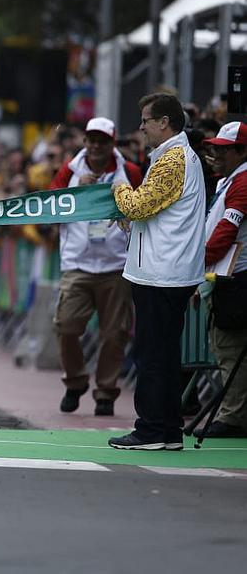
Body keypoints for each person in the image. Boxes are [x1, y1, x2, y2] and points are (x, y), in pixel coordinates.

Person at [108, 93, 206, 450]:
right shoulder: (175, 157)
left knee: (151, 354)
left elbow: (139, 205)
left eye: (146, 121)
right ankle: (168, 430)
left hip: (161, 273)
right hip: (167, 270)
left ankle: (150, 430)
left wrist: (118, 188)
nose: (141, 128)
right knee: (164, 354)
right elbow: (153, 215)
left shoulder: (173, 159)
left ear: (164, 122)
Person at [49, 117, 143, 417]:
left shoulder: (130, 172)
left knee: (114, 334)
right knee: (65, 325)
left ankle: (105, 392)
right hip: (77, 264)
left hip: (117, 266)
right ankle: (75, 381)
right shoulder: (70, 171)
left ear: (112, 143)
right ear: (85, 142)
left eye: (103, 141)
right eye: (92, 140)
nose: (96, 146)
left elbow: (144, 208)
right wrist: (76, 194)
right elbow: (50, 208)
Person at [195, 121, 247, 438]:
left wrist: (196, 262)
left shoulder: (242, 183)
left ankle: (232, 417)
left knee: (230, 349)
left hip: (236, 279)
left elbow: (227, 230)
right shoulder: (230, 181)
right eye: (216, 148)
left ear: (242, 152)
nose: (217, 155)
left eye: (225, 150)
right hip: (230, 276)